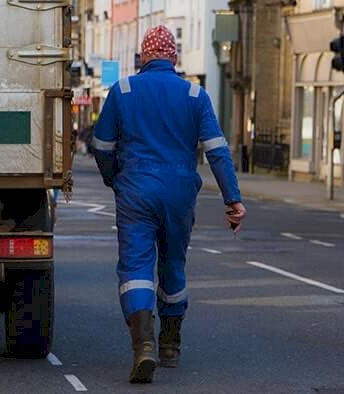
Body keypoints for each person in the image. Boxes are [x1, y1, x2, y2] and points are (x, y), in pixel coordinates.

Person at [92, 25, 245, 384]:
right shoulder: (195, 95)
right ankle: (171, 344)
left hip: (136, 189)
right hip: (179, 191)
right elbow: (217, 151)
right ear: (174, 57)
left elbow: (101, 146)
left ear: (143, 56)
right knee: (173, 263)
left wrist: (114, 177)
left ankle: (142, 344)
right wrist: (232, 199)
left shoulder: (123, 90)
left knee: (136, 265)